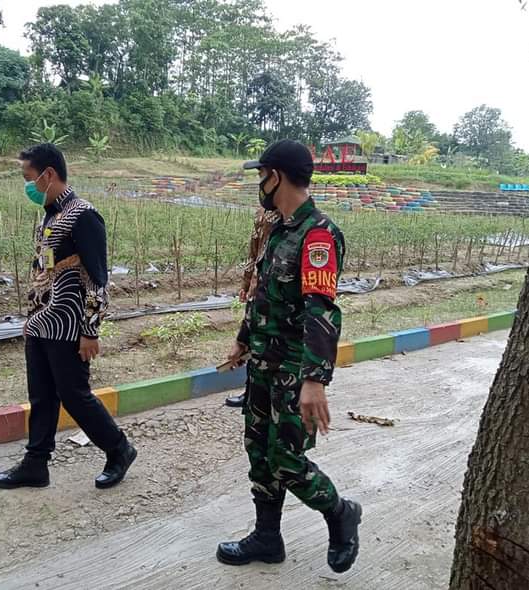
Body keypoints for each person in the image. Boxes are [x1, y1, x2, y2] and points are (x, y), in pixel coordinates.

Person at [216, 140, 362, 574]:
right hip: (263, 364)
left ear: (276, 176)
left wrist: (315, 380)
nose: (258, 183)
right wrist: (244, 338)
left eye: (261, 174)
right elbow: (263, 294)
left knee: (288, 461)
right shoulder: (276, 229)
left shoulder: (316, 234)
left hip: (294, 372)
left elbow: (322, 308)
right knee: (259, 452)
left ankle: (340, 513)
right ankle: (267, 536)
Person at [0, 143, 136, 491]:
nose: (27, 185)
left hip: (71, 325)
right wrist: (31, 317)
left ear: (49, 174)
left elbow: (98, 278)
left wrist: (91, 329)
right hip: (42, 323)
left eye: (29, 177)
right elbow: (42, 271)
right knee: (41, 394)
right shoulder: (49, 215)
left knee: (74, 395)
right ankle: (35, 464)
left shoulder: (83, 215)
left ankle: (119, 448)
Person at [224, 206, 280, 408]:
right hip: (258, 283)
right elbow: (254, 249)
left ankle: (262, 394)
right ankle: (250, 391)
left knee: (265, 339)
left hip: (272, 285)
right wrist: (247, 281)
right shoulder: (261, 212)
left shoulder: (284, 213)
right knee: (253, 335)